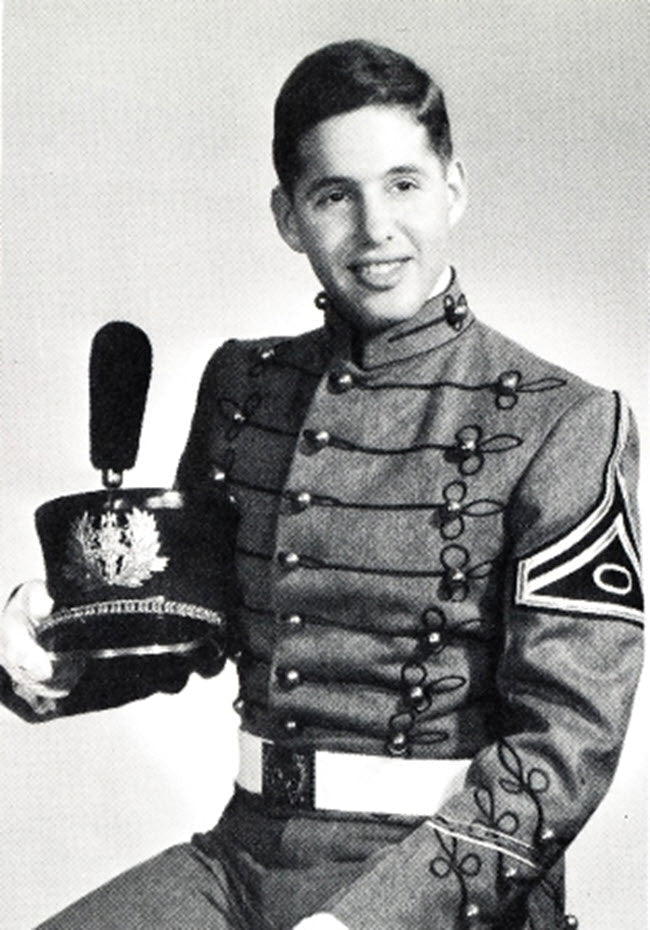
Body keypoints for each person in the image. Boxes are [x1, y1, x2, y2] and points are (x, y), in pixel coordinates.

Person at [0, 39, 644, 930]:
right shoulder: (242, 387)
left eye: (405, 184)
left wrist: (366, 924)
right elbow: (189, 634)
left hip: (442, 886)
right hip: (241, 858)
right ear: (289, 216)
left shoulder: (563, 422)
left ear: (454, 186)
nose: (376, 228)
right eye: (335, 195)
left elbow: (564, 751)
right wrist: (52, 653)